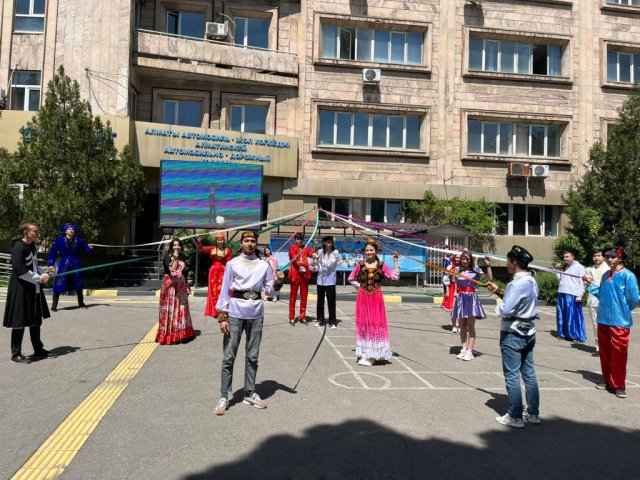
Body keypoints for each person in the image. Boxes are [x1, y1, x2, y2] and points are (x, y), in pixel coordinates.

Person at [214, 231, 284, 415]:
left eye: (253, 241)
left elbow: (270, 291)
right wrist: (223, 317)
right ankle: (224, 396)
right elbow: (224, 291)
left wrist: (278, 282)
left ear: (256, 244)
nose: (250, 243)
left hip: (256, 313)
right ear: (241, 243)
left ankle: (250, 392)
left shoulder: (263, 265)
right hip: (235, 313)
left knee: (252, 356)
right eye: (246, 240)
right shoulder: (232, 264)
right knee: (229, 356)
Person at [487, 245, 540, 429]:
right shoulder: (531, 281)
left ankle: (515, 416)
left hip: (513, 332)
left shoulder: (515, 284)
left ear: (514, 262)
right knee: (529, 373)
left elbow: (506, 309)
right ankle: (533, 413)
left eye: (508, 261)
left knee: (512, 375)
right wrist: (498, 291)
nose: (507, 264)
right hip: (529, 331)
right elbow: (519, 301)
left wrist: (497, 308)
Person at [584, 247, 639, 399]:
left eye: (613, 257)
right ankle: (608, 380)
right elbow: (601, 294)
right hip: (603, 319)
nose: (609, 259)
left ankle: (619, 385)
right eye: (607, 256)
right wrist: (590, 285)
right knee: (605, 353)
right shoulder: (605, 275)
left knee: (619, 354)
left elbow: (634, 298)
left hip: (620, 321)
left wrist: (623, 309)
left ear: (620, 258)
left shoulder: (628, 276)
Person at [3, 221, 51, 364]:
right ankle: (16, 353)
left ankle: (38, 349)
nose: (38, 233)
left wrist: (43, 273)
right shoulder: (18, 248)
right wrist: (38, 278)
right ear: (26, 232)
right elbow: (19, 269)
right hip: (21, 288)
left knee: (36, 319)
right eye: (35, 231)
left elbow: (34, 265)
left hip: (33, 287)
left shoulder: (32, 246)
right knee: (20, 320)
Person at [348, 238, 400, 366]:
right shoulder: (360, 265)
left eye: (371, 250)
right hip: (363, 298)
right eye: (367, 250)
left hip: (376, 298)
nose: (369, 252)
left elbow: (395, 277)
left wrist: (395, 261)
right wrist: (360, 287)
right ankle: (364, 353)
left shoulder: (382, 265)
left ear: (376, 251)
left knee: (374, 324)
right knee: (363, 324)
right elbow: (351, 278)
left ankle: (373, 355)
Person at [452, 252, 493, 361]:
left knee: (470, 326)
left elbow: (489, 278)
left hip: (471, 299)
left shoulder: (476, 269)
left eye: (467, 259)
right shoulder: (458, 270)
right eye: (463, 259)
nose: (465, 261)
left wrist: (488, 265)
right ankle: (464, 349)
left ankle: (470, 352)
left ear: (470, 260)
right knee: (462, 325)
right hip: (461, 299)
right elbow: (455, 283)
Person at [156, 238, 195, 345]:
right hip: (170, 288)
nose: (176, 247)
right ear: (171, 246)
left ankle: (182, 334)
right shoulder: (167, 257)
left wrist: (187, 286)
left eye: (178, 245)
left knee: (181, 310)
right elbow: (171, 270)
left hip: (181, 287)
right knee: (170, 310)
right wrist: (175, 257)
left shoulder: (183, 257)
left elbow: (186, 270)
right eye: (174, 245)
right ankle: (169, 334)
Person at [47, 223, 92, 311]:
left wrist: (89, 248)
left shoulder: (79, 241)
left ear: (74, 231)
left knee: (78, 283)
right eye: (69, 229)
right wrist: (51, 264)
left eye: (72, 229)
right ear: (65, 231)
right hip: (64, 264)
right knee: (59, 282)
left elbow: (87, 250)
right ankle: (54, 305)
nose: (71, 230)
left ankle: (81, 303)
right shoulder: (59, 241)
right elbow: (53, 253)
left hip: (76, 263)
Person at [197, 232, 232, 318]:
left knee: (223, 290)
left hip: (223, 271)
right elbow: (201, 249)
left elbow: (230, 263)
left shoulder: (227, 250)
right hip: (213, 272)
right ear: (216, 241)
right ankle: (214, 310)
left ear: (224, 240)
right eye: (218, 240)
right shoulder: (212, 248)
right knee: (213, 291)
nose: (220, 241)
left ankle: (222, 309)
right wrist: (199, 241)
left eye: (221, 240)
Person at [555, 248, 587, 342]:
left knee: (571, 315)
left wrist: (580, 294)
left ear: (573, 257)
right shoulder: (565, 267)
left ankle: (574, 334)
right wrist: (557, 270)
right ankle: (562, 333)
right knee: (561, 314)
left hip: (572, 293)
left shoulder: (579, 267)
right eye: (564, 257)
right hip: (562, 292)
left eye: (567, 257)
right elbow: (561, 279)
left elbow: (583, 282)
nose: (565, 258)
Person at [312, 236, 340, 328]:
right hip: (320, 280)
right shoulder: (320, 251)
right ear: (323, 243)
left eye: (330, 242)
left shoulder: (335, 252)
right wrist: (314, 267)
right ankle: (320, 319)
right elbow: (318, 265)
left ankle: (332, 321)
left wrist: (319, 258)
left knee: (331, 301)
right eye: (327, 242)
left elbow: (329, 264)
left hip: (330, 281)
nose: (329, 244)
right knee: (320, 302)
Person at [585, 248, 609, 356]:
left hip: (605, 301)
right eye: (594, 256)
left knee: (606, 325)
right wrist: (586, 282)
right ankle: (598, 347)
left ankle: (608, 346)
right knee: (595, 325)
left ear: (603, 256)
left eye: (599, 255)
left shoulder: (609, 268)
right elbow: (586, 285)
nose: (596, 258)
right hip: (592, 300)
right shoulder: (589, 269)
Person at [288, 232, 313, 325]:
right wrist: (308, 264)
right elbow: (295, 261)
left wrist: (315, 249)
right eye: (298, 239)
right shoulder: (292, 248)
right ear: (295, 239)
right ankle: (291, 317)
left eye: (301, 239)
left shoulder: (305, 247)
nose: (299, 241)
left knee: (304, 297)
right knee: (293, 297)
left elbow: (310, 254)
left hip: (304, 275)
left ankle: (302, 316)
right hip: (296, 275)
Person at [442, 253, 459, 333]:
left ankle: (460, 326)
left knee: (461, 309)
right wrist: (447, 291)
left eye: (459, 258)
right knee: (453, 308)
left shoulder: (464, 268)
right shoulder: (450, 267)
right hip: (452, 289)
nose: (458, 259)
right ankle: (454, 326)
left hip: (462, 289)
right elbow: (446, 279)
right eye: (456, 257)